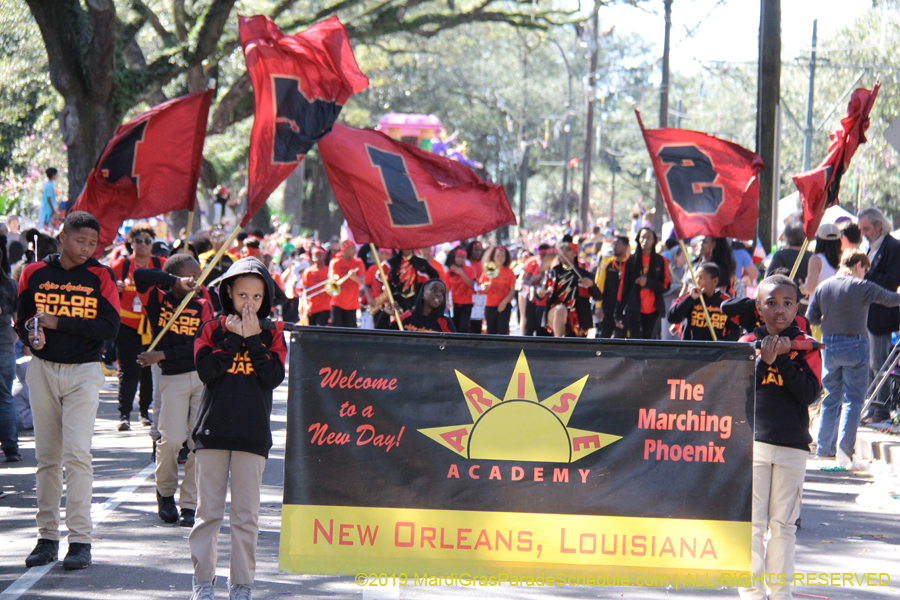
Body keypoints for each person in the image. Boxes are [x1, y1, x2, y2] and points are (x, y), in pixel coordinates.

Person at [16, 212, 120, 570]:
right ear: (62, 238)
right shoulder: (32, 273)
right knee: (47, 458)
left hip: (84, 374)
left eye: (93, 243)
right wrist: (32, 333)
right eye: (81, 241)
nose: (87, 249)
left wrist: (58, 322)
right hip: (42, 370)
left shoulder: (101, 275)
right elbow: (21, 319)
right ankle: (46, 536)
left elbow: (109, 327)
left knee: (77, 454)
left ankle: (80, 540)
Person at [190, 257, 286, 600]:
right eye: (242, 295)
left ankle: (241, 585)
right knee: (208, 515)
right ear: (228, 292)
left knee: (246, 517)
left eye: (257, 297)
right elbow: (207, 371)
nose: (249, 303)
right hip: (212, 431)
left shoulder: (273, 333)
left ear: (266, 299)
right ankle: (203, 583)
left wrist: (255, 340)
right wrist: (232, 340)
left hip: (252, 435)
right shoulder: (211, 329)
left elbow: (273, 377)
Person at [738, 275, 821, 600]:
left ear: (797, 307)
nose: (779, 310)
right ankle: (751, 592)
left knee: (783, 525)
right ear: (759, 307)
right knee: (753, 525)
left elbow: (810, 394)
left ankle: (780, 593)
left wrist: (784, 360)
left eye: (787, 303)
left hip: (792, 446)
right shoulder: (748, 342)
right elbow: (737, 390)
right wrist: (764, 362)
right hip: (753, 444)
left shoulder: (806, 344)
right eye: (771, 303)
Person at [133, 254, 213, 527]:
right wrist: (173, 281)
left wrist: (162, 354)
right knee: (171, 439)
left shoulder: (202, 304)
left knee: (195, 442)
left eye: (198, 274)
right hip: (173, 380)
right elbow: (140, 276)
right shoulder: (157, 301)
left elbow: (198, 347)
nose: (196, 279)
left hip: (200, 378)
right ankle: (165, 494)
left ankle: (189, 504)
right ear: (174, 277)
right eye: (189, 275)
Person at [807, 249, 900, 461]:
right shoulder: (862, 287)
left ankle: (823, 449)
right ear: (858, 265)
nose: (864, 274)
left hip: (830, 344)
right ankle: (843, 452)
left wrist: (829, 324)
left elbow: (811, 318)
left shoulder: (824, 286)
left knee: (831, 398)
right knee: (853, 400)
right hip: (855, 344)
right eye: (864, 269)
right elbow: (891, 299)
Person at [111, 225, 166, 431]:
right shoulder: (120, 265)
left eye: (148, 240)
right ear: (131, 243)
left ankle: (145, 413)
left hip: (153, 325)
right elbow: (106, 291)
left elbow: (172, 286)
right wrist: (114, 287)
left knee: (149, 369)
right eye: (139, 240)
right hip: (127, 325)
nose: (143, 244)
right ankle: (124, 415)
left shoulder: (160, 264)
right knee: (128, 369)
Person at [857, 207, 900, 423]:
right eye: (861, 229)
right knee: (868, 363)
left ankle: (881, 409)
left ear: (878, 225)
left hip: (882, 315)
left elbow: (892, 280)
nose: (863, 233)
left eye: (866, 228)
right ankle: (871, 406)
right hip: (865, 314)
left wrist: (865, 278)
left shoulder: (894, 247)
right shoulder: (867, 247)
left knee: (880, 363)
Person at [615, 228, 669, 339]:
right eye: (642, 237)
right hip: (633, 307)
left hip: (652, 309)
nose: (645, 240)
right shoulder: (630, 261)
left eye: (648, 238)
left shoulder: (660, 260)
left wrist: (648, 282)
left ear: (654, 240)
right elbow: (623, 288)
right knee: (634, 338)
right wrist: (618, 313)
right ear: (638, 240)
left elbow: (665, 285)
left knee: (648, 339)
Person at [667, 263, 740, 341]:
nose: (697, 281)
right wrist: (690, 299)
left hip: (715, 350)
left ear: (715, 281)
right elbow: (672, 318)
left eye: (701, 278)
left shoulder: (725, 301)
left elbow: (735, 329)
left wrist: (723, 343)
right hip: (691, 348)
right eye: (696, 278)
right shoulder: (689, 297)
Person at [543, 240, 601, 337]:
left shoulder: (583, 274)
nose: (563, 252)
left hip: (578, 318)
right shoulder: (552, 272)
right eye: (561, 249)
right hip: (555, 314)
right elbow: (538, 293)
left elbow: (598, 296)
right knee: (560, 310)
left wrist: (591, 285)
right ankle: (559, 344)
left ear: (575, 253)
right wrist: (539, 292)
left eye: (568, 250)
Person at [380, 279, 456, 333]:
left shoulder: (445, 322)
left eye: (442, 293)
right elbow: (382, 335)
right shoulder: (406, 318)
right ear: (422, 294)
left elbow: (453, 346)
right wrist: (385, 314)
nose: (438, 294)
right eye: (434, 290)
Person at [0, 259, 18, 462]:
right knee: (5, 398)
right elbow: (18, 320)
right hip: (5, 347)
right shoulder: (10, 285)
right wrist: (11, 342)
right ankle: (11, 447)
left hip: (5, 346)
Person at [594, 235, 629, 339]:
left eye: (617, 244)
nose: (614, 247)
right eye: (613, 244)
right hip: (607, 308)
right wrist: (598, 307)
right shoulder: (606, 262)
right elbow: (598, 286)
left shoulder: (630, 264)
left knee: (621, 338)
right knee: (604, 336)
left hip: (623, 308)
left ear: (625, 247)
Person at [479, 246, 516, 335]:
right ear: (493, 257)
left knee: (503, 331)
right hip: (490, 306)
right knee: (491, 331)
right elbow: (483, 289)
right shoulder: (488, 270)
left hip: (505, 305)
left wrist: (504, 302)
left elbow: (512, 290)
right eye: (498, 256)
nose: (500, 258)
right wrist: (486, 286)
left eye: (502, 256)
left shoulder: (509, 272)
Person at [327, 241, 365, 328]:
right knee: (336, 329)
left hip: (352, 304)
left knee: (349, 330)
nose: (355, 250)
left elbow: (363, 281)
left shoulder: (358, 262)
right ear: (345, 249)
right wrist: (335, 282)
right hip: (337, 303)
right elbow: (331, 279)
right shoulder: (335, 262)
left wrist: (354, 277)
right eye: (352, 248)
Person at [766, 224, 811, 290]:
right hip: (808, 297)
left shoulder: (780, 255)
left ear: (786, 238)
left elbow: (768, 278)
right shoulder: (812, 256)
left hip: (786, 296)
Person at [444, 246, 476, 334]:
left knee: (464, 327)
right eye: (458, 257)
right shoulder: (449, 272)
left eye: (462, 257)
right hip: (454, 304)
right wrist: (447, 302)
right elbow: (446, 289)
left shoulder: (470, 269)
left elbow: (472, 285)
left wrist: (461, 273)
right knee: (454, 327)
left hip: (467, 303)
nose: (460, 259)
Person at [801, 223, 841, 295]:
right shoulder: (842, 259)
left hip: (818, 304)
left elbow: (810, 287)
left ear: (819, 241)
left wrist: (803, 288)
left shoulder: (816, 260)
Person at [299, 247, 330, 326]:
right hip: (312, 307)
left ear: (324, 257)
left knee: (320, 328)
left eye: (319, 255)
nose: (317, 257)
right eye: (315, 255)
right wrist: (305, 304)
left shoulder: (328, 271)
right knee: (311, 329)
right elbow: (305, 290)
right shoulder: (308, 272)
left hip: (325, 307)